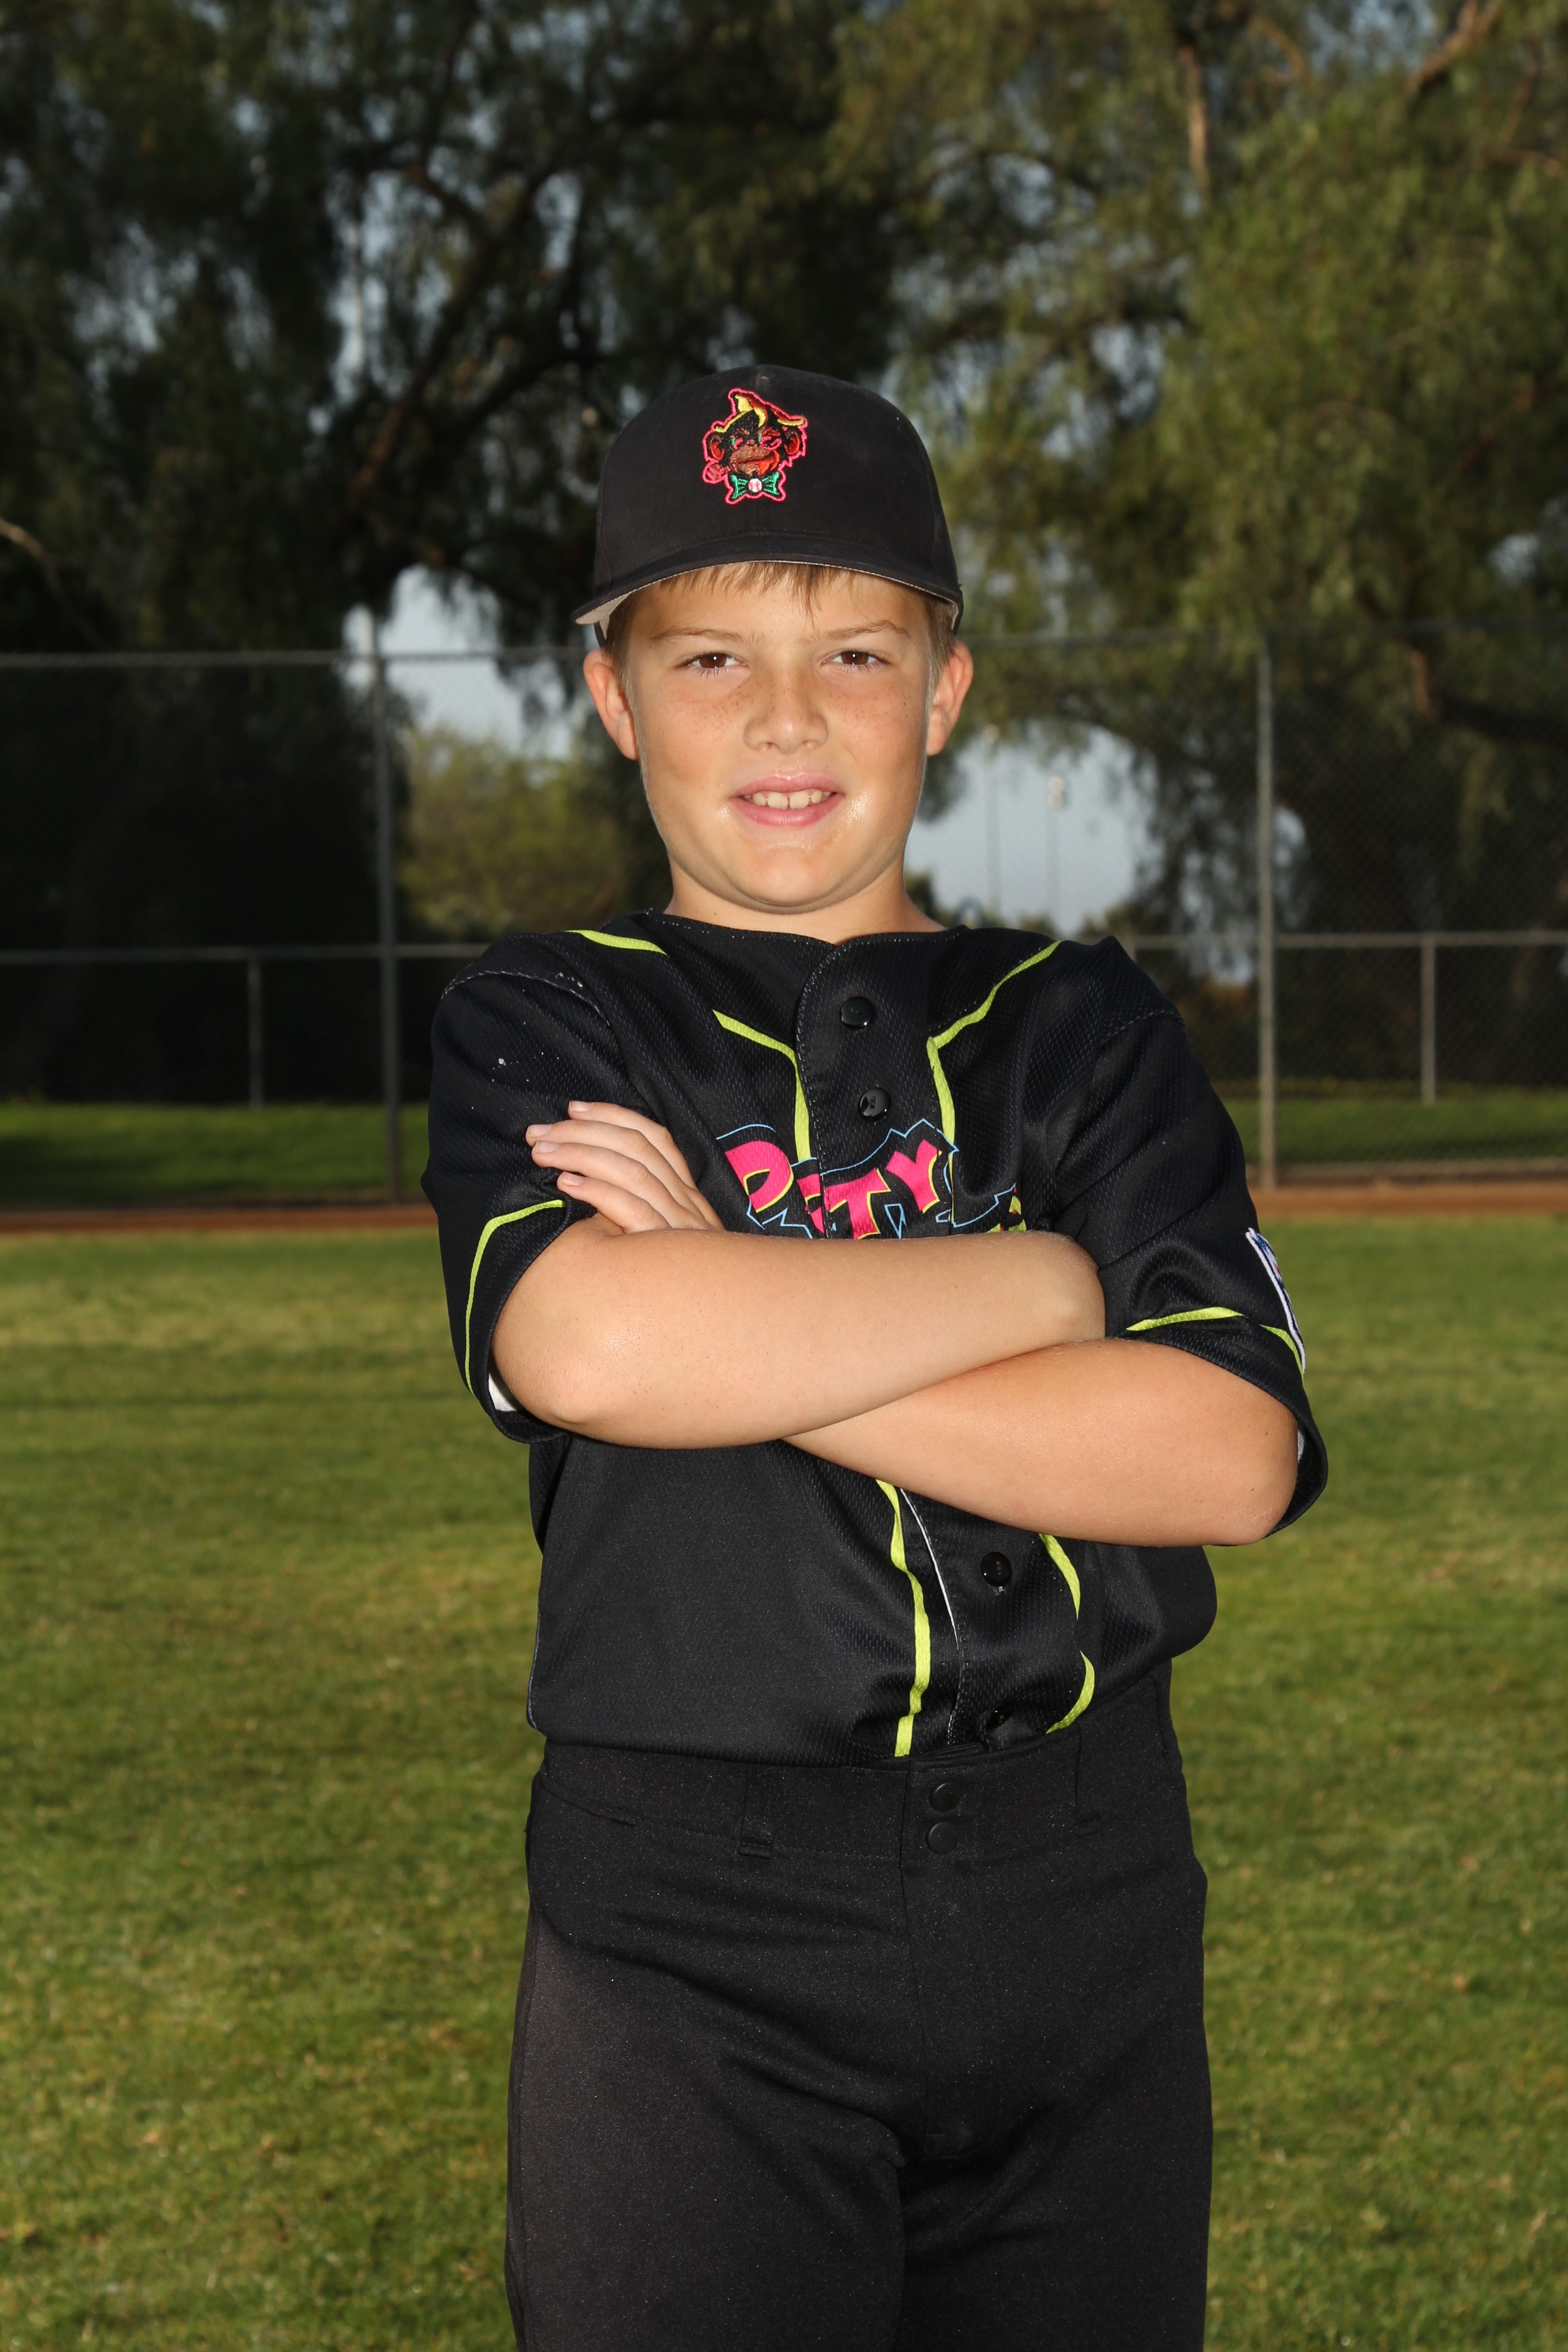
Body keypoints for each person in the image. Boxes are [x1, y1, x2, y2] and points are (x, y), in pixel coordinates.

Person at [422, 363, 1326, 2352]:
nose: (785, 717)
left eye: (854, 652)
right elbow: (594, 1338)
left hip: (1089, 1900)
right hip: (695, 1935)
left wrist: (736, 1303)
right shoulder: (548, 1016)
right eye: (709, 658)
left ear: (944, 690)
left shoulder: (1079, 1022)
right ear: (612, 698)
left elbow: (1227, 1458)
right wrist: (1045, 1284)